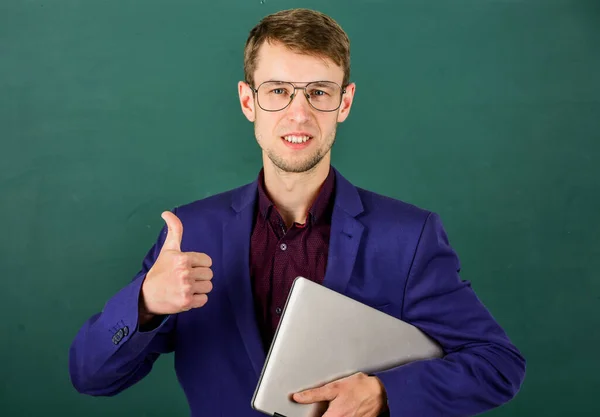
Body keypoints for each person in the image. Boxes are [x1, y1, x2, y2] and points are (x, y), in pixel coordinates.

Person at [69, 8, 526, 417]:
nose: (299, 113)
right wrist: (146, 304)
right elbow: (91, 377)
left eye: (319, 92)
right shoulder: (191, 233)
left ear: (343, 103)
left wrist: (384, 392)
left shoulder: (409, 236)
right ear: (249, 102)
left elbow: (498, 364)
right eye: (279, 90)